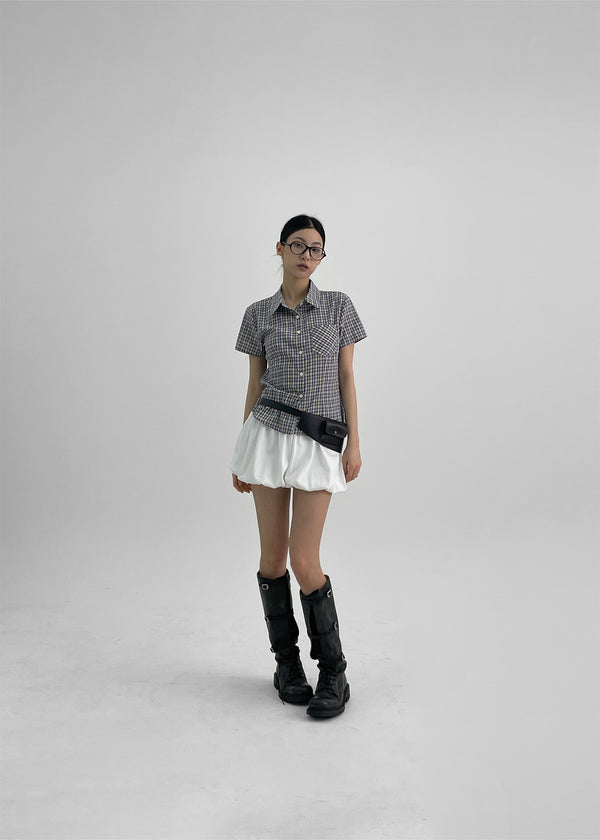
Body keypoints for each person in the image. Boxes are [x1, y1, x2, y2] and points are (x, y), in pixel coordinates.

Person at [230, 214, 366, 719]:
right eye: (298, 245)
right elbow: (255, 383)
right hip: (267, 435)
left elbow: (347, 376)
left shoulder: (339, 306)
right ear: (280, 249)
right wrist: (242, 450)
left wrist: (353, 443)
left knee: (304, 558)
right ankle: (286, 666)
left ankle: (334, 672)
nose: (307, 255)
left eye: (316, 249)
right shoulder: (257, 314)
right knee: (272, 560)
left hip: (318, 439)